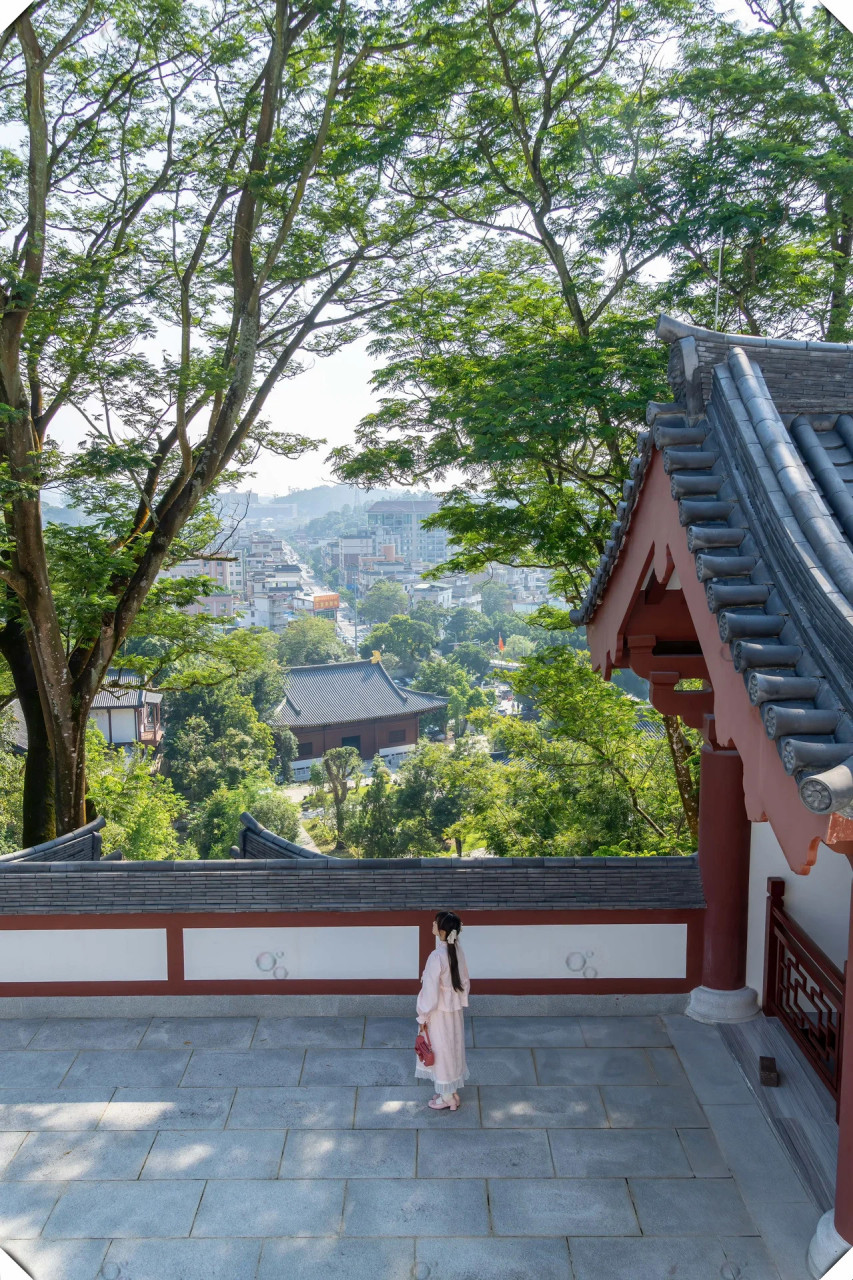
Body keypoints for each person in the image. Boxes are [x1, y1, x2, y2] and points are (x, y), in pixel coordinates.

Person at [416, 909, 470, 1111]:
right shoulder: (457, 950)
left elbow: (429, 992)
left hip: (438, 1012)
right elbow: (464, 981)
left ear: (442, 931)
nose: (431, 926)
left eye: (434, 924)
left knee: (440, 1049)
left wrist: (422, 1015)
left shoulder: (437, 956)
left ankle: (447, 1096)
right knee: (452, 1046)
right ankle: (451, 1091)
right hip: (453, 1011)